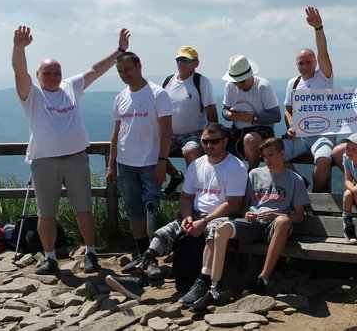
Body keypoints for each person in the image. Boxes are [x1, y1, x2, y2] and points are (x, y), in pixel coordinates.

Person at [12, 25, 129, 275]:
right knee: (46, 214)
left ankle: (91, 253)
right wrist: (19, 48)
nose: (53, 76)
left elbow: (96, 70)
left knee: (84, 210)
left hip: (76, 158)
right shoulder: (31, 94)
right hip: (45, 161)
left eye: (57, 72)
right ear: (39, 74)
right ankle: (50, 258)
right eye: (48, 73)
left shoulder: (71, 86)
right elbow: (19, 72)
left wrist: (119, 51)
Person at [105, 123, 247, 301]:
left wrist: (204, 221)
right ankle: (141, 273)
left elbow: (233, 204)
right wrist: (187, 217)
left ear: (225, 141)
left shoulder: (236, 167)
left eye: (215, 141)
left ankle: (203, 283)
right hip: (195, 215)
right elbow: (186, 197)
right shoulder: (196, 165)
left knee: (212, 231)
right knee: (164, 233)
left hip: (222, 217)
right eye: (205, 141)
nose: (209, 145)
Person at [183, 137, 310, 312]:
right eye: (264, 156)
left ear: (282, 154)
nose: (267, 160)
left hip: (274, 226)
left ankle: (262, 280)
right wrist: (246, 214)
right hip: (251, 222)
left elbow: (299, 216)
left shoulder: (295, 179)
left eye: (271, 155)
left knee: (282, 221)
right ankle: (213, 288)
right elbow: (243, 207)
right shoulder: (254, 174)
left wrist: (276, 215)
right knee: (221, 229)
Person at [107, 51, 173, 260]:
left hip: (150, 161)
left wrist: (162, 161)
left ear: (139, 66)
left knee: (151, 207)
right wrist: (111, 165)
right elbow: (116, 133)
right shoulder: (120, 97)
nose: (124, 74)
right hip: (125, 162)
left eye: (127, 69)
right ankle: (142, 254)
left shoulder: (157, 94)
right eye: (120, 71)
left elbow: (167, 131)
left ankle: (151, 256)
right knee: (133, 210)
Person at [283, 6, 335, 192]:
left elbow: (324, 53)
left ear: (315, 62)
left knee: (322, 161)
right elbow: (288, 109)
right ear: (296, 65)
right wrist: (290, 125)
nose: (305, 65)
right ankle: (299, 184)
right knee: (272, 154)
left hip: (324, 134)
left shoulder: (324, 77)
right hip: (301, 135)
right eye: (301, 63)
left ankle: (318, 197)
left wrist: (318, 28)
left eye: (309, 61)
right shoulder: (293, 83)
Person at [161, 45, 218, 196]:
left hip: (194, 132)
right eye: (179, 59)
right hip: (170, 133)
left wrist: (214, 137)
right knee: (152, 150)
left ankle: (193, 190)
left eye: (186, 59)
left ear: (196, 63)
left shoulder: (201, 82)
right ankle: (176, 176)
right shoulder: (168, 81)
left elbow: (211, 110)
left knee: (190, 151)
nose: (181, 63)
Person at [222, 55, 281, 170]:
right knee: (215, 137)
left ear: (250, 75)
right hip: (237, 129)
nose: (238, 85)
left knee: (249, 139)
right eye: (235, 82)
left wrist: (253, 118)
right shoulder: (229, 86)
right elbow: (224, 110)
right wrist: (229, 115)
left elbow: (276, 116)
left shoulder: (263, 86)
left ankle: (252, 172)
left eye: (241, 81)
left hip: (261, 129)